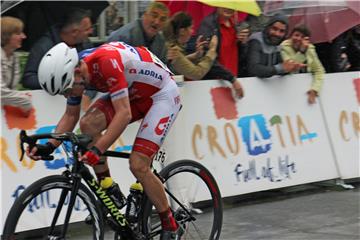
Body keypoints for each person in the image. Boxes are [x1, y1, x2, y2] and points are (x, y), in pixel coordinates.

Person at [26, 42, 183, 239]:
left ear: (76, 71)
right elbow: (70, 115)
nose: (68, 95)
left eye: (67, 90)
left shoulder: (106, 62)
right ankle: (109, 189)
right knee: (88, 124)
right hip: (134, 92)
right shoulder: (77, 74)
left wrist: (98, 149)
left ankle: (170, 225)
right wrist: (48, 147)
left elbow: (123, 114)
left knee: (138, 164)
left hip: (161, 95)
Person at [21, 8, 93, 90]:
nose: (91, 32)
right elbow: (28, 79)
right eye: (87, 29)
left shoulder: (86, 44)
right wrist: (59, 82)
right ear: (74, 32)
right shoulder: (43, 47)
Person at [163, 12, 218, 80]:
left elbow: (179, 63)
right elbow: (196, 73)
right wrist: (212, 51)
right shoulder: (174, 51)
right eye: (191, 28)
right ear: (182, 31)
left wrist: (196, 55)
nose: (192, 31)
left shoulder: (172, 46)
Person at [247, 14, 302, 78]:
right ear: (268, 27)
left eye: (282, 31)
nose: (277, 34)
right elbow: (254, 69)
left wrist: (290, 67)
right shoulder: (256, 40)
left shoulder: (279, 44)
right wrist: (280, 68)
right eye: (274, 29)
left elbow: (282, 67)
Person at [281, 25, 325, 104]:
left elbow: (319, 70)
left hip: (305, 90)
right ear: (291, 36)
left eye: (302, 37)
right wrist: (302, 51)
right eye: (296, 35)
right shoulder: (283, 48)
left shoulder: (310, 49)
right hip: (287, 90)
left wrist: (315, 89)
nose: (298, 39)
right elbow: (289, 68)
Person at [1, 16, 32, 117]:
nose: (24, 36)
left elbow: (12, 90)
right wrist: (24, 100)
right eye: (18, 33)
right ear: (6, 36)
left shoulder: (14, 57)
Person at [197, 7, 239, 76]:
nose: (228, 8)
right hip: (215, 78)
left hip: (233, 76)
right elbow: (206, 56)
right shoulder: (208, 24)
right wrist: (230, 78)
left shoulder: (236, 25)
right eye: (224, 3)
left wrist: (242, 42)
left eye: (231, 4)